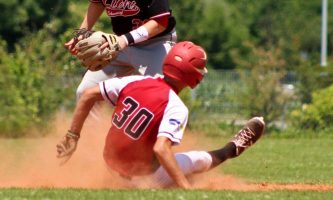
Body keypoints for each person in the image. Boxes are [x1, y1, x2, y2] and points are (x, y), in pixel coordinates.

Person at [56, 41, 265, 189]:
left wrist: (73, 136)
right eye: (200, 69)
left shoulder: (135, 81)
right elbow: (161, 149)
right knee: (197, 160)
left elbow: (88, 95)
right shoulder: (176, 106)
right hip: (141, 181)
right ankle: (232, 149)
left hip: (108, 167)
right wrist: (185, 189)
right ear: (194, 78)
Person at [65, 0, 177, 100]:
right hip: (118, 43)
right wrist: (82, 32)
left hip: (156, 43)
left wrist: (125, 40)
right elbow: (98, 3)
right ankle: (94, 124)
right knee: (86, 92)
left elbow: (160, 22)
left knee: (160, 96)